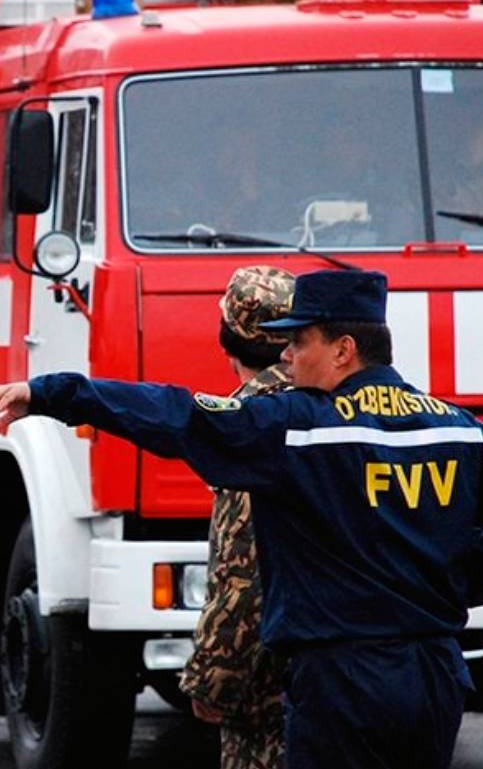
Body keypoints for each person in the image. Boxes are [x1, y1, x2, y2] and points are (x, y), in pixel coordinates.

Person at [0, 269, 483, 769]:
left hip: (340, 683)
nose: (289, 356)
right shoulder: (456, 427)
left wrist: (52, 394)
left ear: (343, 350)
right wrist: (460, 584)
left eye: (299, 342)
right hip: (435, 675)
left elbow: (176, 415)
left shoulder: (298, 427)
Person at [179, 265, 294, 769]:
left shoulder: (250, 425)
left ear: (227, 342)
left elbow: (243, 578)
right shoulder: (334, 403)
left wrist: (213, 679)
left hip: (271, 690)